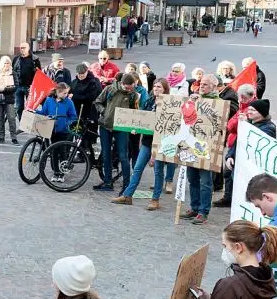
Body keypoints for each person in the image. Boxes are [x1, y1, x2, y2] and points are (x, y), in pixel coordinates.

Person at [120, 78, 169, 209]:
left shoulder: (169, 104)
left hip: (160, 143)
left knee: (158, 171)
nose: (156, 89)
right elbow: (143, 117)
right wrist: (138, 127)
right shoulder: (150, 100)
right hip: (148, 141)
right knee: (137, 168)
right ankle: (127, 195)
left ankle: (155, 199)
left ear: (165, 89)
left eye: (159, 87)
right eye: (155, 86)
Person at [180, 76, 221, 225]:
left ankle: (204, 211)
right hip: (192, 145)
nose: (201, 86)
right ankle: (194, 207)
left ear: (213, 87)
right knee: (193, 179)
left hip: (207, 147)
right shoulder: (196, 98)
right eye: (201, 84)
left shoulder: (219, 102)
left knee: (205, 182)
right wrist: (191, 101)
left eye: (205, 85)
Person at [95, 73, 140, 193]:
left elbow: (135, 112)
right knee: (106, 154)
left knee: (123, 156)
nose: (128, 89)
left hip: (121, 128)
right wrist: (104, 111)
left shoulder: (133, 95)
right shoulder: (110, 89)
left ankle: (126, 185)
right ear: (122, 83)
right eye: (126, 87)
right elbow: (98, 102)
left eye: (130, 87)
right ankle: (108, 182)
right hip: (106, 125)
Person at [36, 81, 78, 145]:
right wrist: (34, 111)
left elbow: (73, 116)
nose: (66, 95)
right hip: (51, 130)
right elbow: (44, 113)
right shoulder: (49, 100)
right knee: (53, 151)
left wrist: (66, 124)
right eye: (64, 93)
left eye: (67, 93)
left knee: (61, 152)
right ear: (58, 92)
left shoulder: (69, 102)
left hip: (64, 132)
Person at [0, 56, 18, 145]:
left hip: (9, 100)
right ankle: (1, 137)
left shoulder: (13, 73)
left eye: (8, 63)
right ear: (1, 64)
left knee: (11, 118)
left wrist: (5, 89)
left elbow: (16, 86)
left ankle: (14, 137)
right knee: (0, 119)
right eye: (5, 63)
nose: (6, 65)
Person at [12, 42, 41, 116]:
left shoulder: (35, 59)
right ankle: (22, 125)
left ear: (28, 48)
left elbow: (39, 74)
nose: (22, 49)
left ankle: (28, 125)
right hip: (18, 87)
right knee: (19, 108)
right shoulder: (16, 59)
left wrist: (34, 85)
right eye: (21, 48)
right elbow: (13, 71)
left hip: (30, 87)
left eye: (24, 48)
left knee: (30, 108)